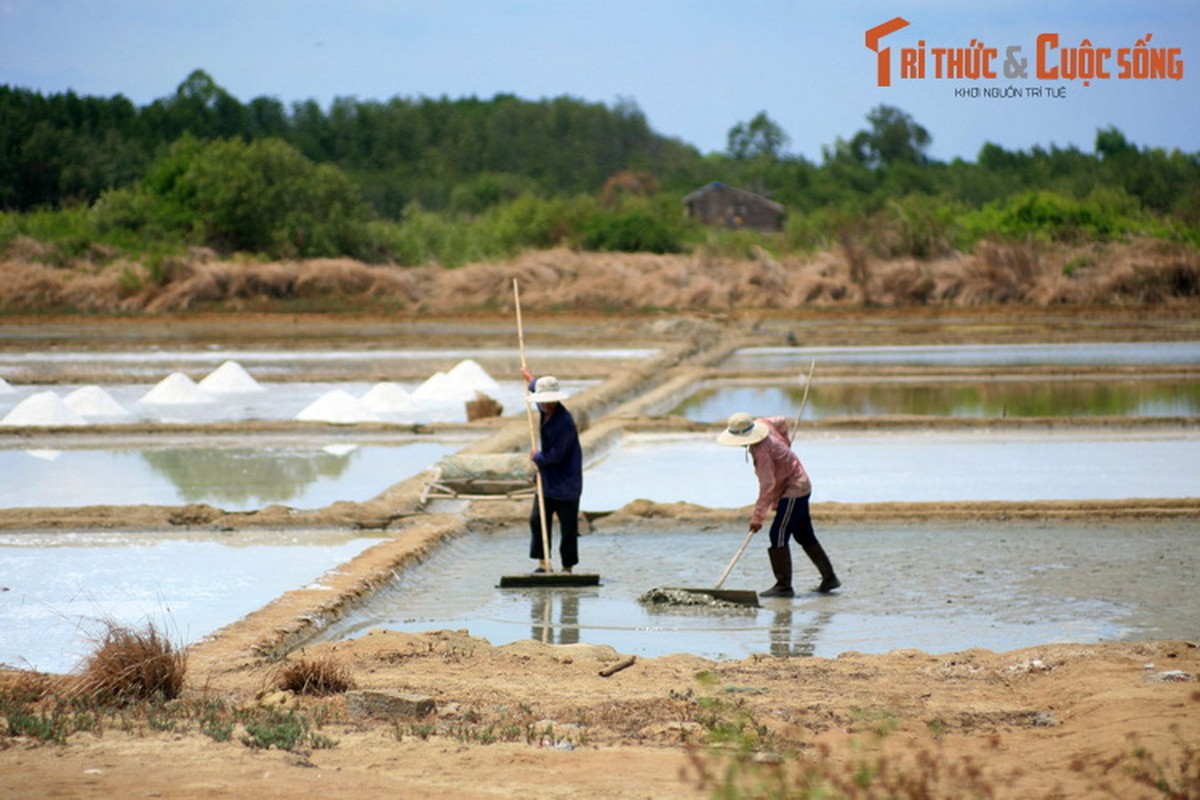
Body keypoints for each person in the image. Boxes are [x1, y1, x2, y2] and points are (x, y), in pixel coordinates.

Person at [716, 412, 840, 597]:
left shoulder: (761, 451)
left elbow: (768, 484)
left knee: (778, 534)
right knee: (804, 535)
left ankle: (783, 586)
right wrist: (785, 444)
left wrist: (757, 517)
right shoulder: (763, 423)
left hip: (794, 489)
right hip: (799, 483)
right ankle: (829, 578)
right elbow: (781, 421)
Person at [521, 368, 583, 573]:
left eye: (549, 401)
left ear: (556, 400)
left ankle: (567, 568)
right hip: (547, 480)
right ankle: (543, 563)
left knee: (568, 528)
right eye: (542, 401)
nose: (545, 405)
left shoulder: (563, 423)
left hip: (566, 482)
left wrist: (536, 456)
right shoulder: (544, 408)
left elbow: (555, 456)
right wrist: (530, 380)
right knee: (537, 520)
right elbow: (536, 388)